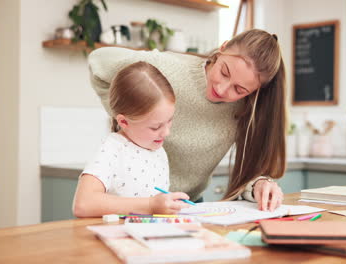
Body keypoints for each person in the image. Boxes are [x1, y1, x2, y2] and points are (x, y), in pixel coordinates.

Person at [88, 29, 287, 211]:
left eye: (239, 90)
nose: (222, 89)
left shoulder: (247, 110)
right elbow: (98, 61)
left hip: (185, 206)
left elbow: (248, 174)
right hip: (128, 204)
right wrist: (132, 119)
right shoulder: (167, 69)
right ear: (223, 48)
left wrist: (258, 185)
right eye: (224, 72)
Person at [73, 61, 191, 217]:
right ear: (124, 122)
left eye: (169, 120)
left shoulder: (158, 151)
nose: (166, 132)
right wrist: (150, 205)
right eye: (155, 127)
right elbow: (83, 204)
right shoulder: (113, 149)